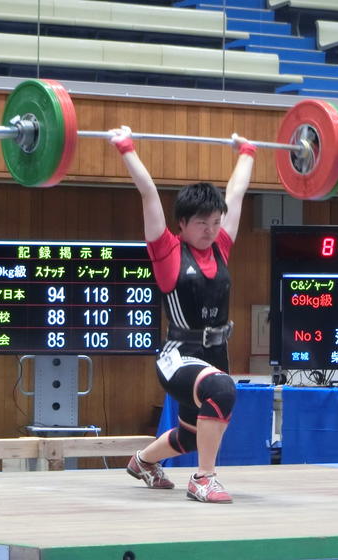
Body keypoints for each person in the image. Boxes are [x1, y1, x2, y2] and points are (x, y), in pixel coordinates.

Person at [109, 125, 256, 503]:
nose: (211, 230)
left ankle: (143, 462)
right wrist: (126, 148)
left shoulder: (221, 246)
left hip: (215, 352)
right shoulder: (167, 251)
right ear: (183, 224)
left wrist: (247, 153)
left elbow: (236, 194)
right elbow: (148, 193)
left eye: (216, 222)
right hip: (178, 355)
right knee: (222, 390)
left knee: (191, 436)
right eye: (202, 223)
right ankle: (204, 479)